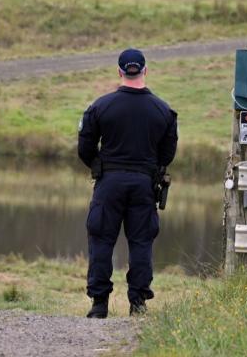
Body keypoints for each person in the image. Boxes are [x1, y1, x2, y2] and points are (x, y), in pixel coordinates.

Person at [77, 48, 178, 319]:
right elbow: (167, 155)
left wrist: (98, 165)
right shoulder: (163, 111)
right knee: (141, 242)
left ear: (120, 71)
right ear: (145, 70)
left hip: (109, 182)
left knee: (101, 239)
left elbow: (85, 147)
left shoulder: (100, 107)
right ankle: (138, 304)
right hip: (144, 183)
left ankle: (99, 304)